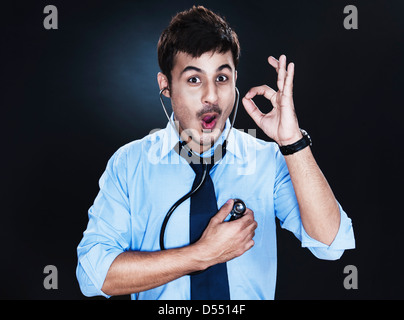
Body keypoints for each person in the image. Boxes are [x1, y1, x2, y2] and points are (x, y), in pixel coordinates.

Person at [76, 5, 355, 300]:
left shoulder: (268, 159)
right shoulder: (129, 164)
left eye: (221, 78)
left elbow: (331, 243)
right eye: (194, 79)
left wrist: (292, 142)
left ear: (235, 79)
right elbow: (94, 277)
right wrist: (202, 254)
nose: (211, 96)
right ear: (166, 86)